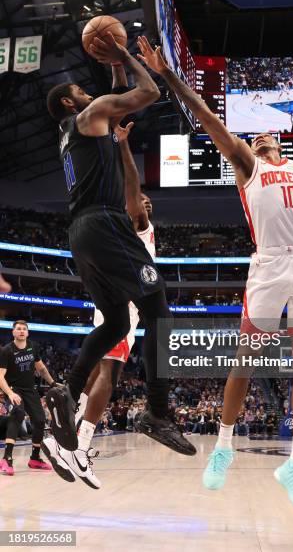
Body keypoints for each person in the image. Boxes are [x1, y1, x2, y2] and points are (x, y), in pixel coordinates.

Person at [136, 36, 293, 516]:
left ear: (280, 143)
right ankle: (223, 449)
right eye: (257, 135)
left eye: (270, 135)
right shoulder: (245, 165)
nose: (263, 137)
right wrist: (167, 75)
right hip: (269, 265)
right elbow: (205, 115)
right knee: (246, 360)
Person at [45, 32, 195, 458]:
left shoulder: (73, 129)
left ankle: (67, 392)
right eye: (80, 90)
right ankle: (158, 413)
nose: (88, 92)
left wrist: (113, 66)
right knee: (158, 311)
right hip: (106, 224)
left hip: (81, 233)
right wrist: (127, 54)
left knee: (113, 323)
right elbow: (148, 91)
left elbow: (111, 99)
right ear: (72, 103)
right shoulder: (91, 113)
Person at [43, 187, 159, 489]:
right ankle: (80, 448)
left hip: (126, 310)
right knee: (109, 372)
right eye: (139, 199)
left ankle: (58, 441)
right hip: (120, 306)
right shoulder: (119, 225)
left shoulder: (143, 229)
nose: (144, 203)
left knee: (99, 371)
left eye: (148, 201)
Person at [0, 320, 55, 475]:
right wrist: (10, 393)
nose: (22, 331)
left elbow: (42, 368)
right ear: (13, 332)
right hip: (14, 389)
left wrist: (52, 383)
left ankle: (35, 458)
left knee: (40, 420)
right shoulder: (6, 351)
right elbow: (0, 376)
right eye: (18, 329)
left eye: (24, 329)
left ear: (28, 332)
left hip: (30, 390)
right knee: (17, 414)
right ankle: (6, 458)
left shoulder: (33, 347)